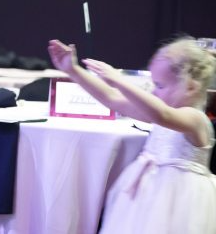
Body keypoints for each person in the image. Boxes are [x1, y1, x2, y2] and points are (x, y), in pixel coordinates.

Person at [48, 38, 216, 234]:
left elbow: (162, 114)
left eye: (160, 86)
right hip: (147, 197)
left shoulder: (195, 119)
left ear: (190, 87)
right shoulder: (166, 112)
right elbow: (113, 99)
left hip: (179, 204)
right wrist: (73, 71)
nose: (154, 91)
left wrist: (119, 81)